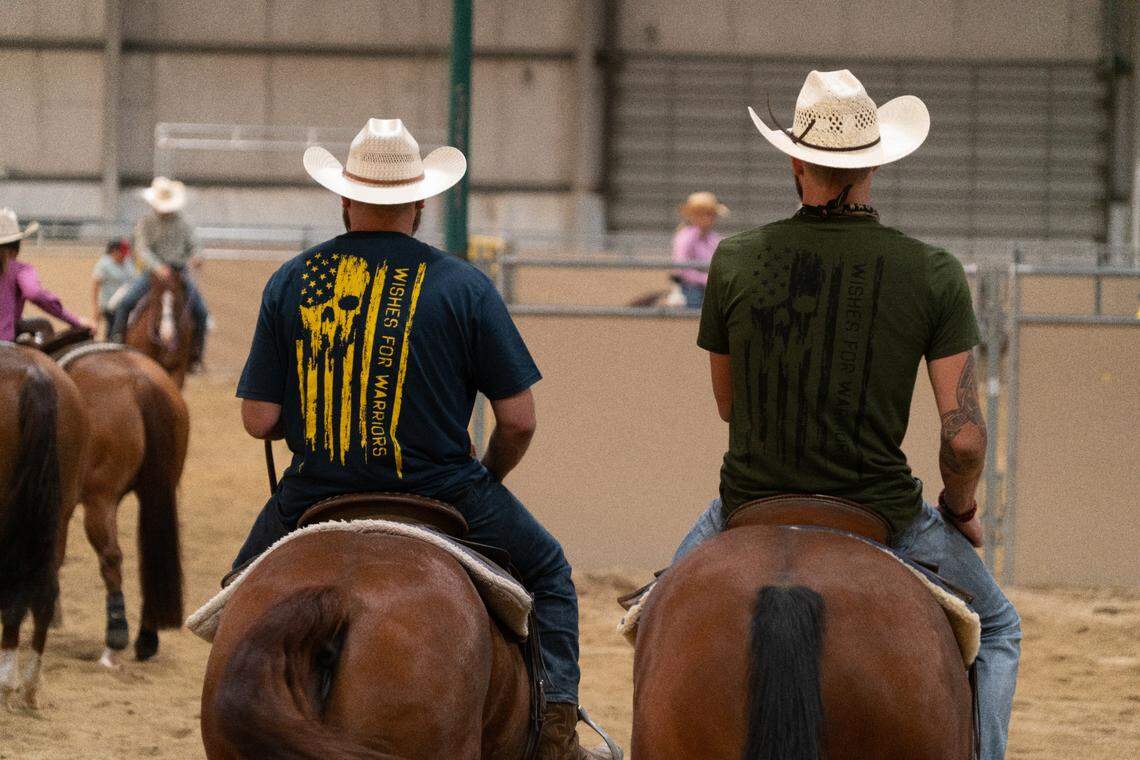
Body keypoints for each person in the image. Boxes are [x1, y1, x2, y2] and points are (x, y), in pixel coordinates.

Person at [232, 118, 614, 760]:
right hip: (442, 488)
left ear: (345, 198)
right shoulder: (464, 286)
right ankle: (556, 732)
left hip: (315, 492)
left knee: (240, 592)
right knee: (548, 573)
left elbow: (259, 420)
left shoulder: (293, 281)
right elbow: (519, 419)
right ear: (420, 203)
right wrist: (488, 475)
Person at [670, 70, 1020, 759]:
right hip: (879, 507)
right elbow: (967, 437)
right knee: (1000, 627)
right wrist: (961, 503)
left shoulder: (735, 260)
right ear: (875, 165)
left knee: (654, 621)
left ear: (797, 161)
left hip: (748, 503)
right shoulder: (933, 272)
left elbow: (727, 405)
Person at [109, 177, 209, 365]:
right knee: (125, 303)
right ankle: (117, 342)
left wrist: (196, 256)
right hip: (153, 275)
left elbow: (195, 246)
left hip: (179, 273)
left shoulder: (184, 224)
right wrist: (157, 266)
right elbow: (142, 249)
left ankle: (196, 355)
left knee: (201, 312)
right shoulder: (146, 223)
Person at [0, 208, 92, 342]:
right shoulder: (20, 269)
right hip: (4, 342)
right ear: (17, 245)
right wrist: (76, 321)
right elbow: (34, 293)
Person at [671, 191, 727, 308]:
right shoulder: (685, 237)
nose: (710, 218)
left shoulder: (713, 237)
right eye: (704, 214)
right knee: (696, 306)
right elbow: (683, 270)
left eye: (711, 214)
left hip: (710, 283)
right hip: (690, 285)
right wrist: (707, 279)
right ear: (693, 216)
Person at [91, 238, 136, 339]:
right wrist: (96, 307)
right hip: (110, 306)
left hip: (127, 303)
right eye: (122, 252)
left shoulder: (128, 262)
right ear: (114, 251)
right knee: (113, 332)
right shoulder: (103, 265)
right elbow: (95, 286)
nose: (124, 255)